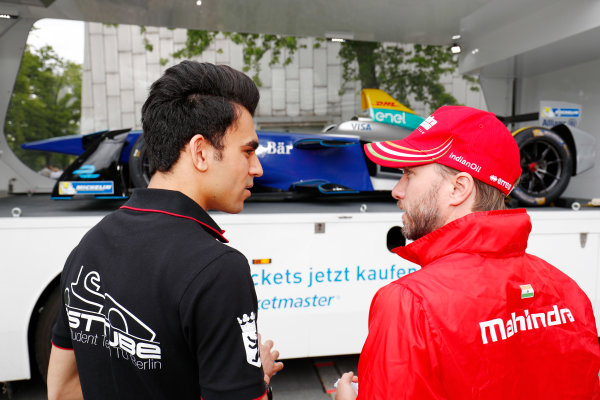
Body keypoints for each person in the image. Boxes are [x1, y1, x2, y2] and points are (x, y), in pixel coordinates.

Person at [47, 61, 283, 400]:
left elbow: (62, 391)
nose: (257, 168)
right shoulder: (218, 268)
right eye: (248, 151)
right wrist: (257, 380)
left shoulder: (89, 245)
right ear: (200, 151)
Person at [336, 105, 600, 399]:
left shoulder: (409, 303)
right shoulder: (568, 291)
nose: (397, 190)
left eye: (409, 174)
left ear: (459, 188)